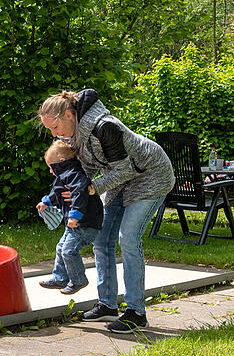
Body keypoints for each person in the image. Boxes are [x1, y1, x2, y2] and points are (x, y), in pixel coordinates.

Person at [38, 89, 174, 333]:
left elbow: (126, 170)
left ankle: (136, 312)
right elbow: (85, 170)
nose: (54, 133)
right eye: (49, 129)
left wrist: (90, 188)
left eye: (55, 126)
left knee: (129, 238)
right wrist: (69, 192)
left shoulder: (105, 127)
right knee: (101, 240)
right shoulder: (73, 135)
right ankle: (108, 305)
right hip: (118, 181)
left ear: (69, 114)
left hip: (150, 176)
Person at [36, 139, 103, 295]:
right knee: (60, 248)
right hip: (75, 224)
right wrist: (46, 201)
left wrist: (75, 216)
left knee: (68, 251)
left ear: (61, 162)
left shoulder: (75, 174)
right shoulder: (64, 175)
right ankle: (60, 278)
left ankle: (78, 280)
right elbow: (58, 192)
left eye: (51, 168)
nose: (51, 172)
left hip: (86, 223)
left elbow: (80, 193)